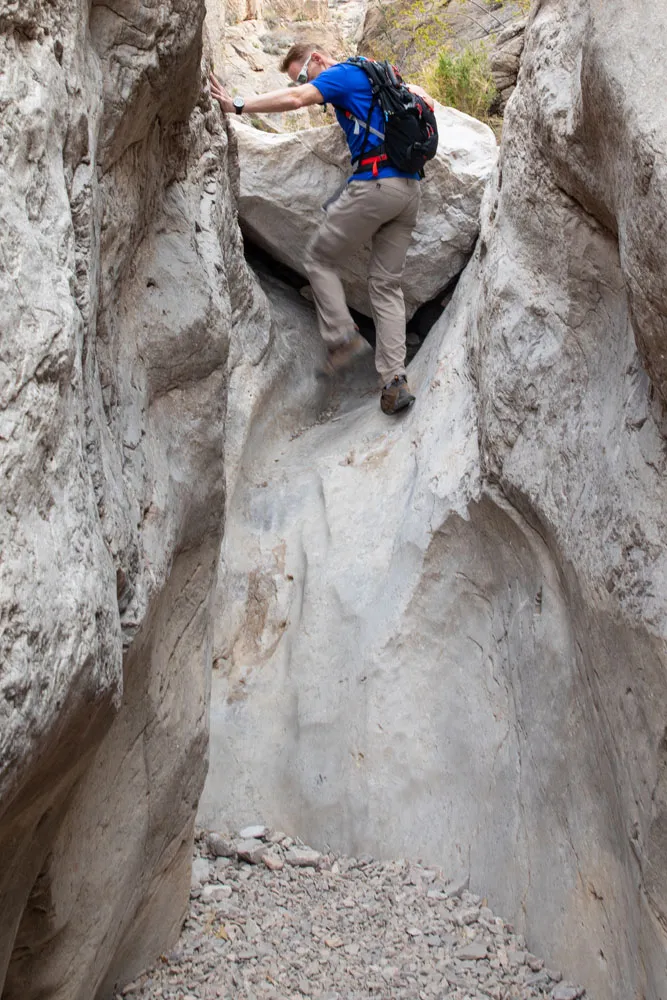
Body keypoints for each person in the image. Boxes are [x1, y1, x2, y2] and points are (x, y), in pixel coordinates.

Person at [209, 44, 434, 415]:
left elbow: (297, 99)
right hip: (409, 191)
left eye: (302, 74)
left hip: (376, 185)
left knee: (318, 258)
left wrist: (238, 104)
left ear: (316, 59)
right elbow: (423, 102)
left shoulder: (341, 74)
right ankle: (394, 383)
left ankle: (342, 338)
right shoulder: (381, 74)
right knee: (385, 284)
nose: (305, 82)